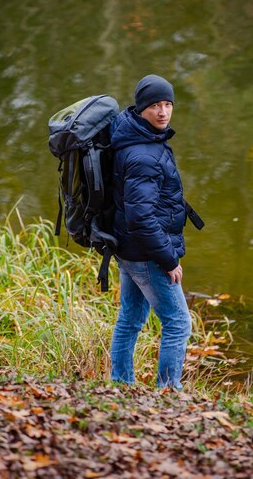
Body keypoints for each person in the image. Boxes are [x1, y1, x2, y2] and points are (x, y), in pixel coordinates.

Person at [110, 74, 192, 389]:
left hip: (128, 249)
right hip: (146, 252)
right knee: (178, 323)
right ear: (141, 108)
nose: (162, 112)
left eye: (168, 104)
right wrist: (169, 259)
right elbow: (141, 217)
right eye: (155, 105)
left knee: (129, 320)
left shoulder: (134, 137)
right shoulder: (143, 154)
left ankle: (120, 384)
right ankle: (168, 393)